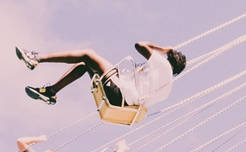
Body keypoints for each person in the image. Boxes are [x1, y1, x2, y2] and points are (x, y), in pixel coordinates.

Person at [18, 39, 187, 112]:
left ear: (170, 59)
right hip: (121, 102)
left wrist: (165, 49)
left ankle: (36, 58)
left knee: (88, 54)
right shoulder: (167, 88)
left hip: (120, 93)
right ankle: (51, 92)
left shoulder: (163, 65)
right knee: (85, 65)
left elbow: (140, 45)